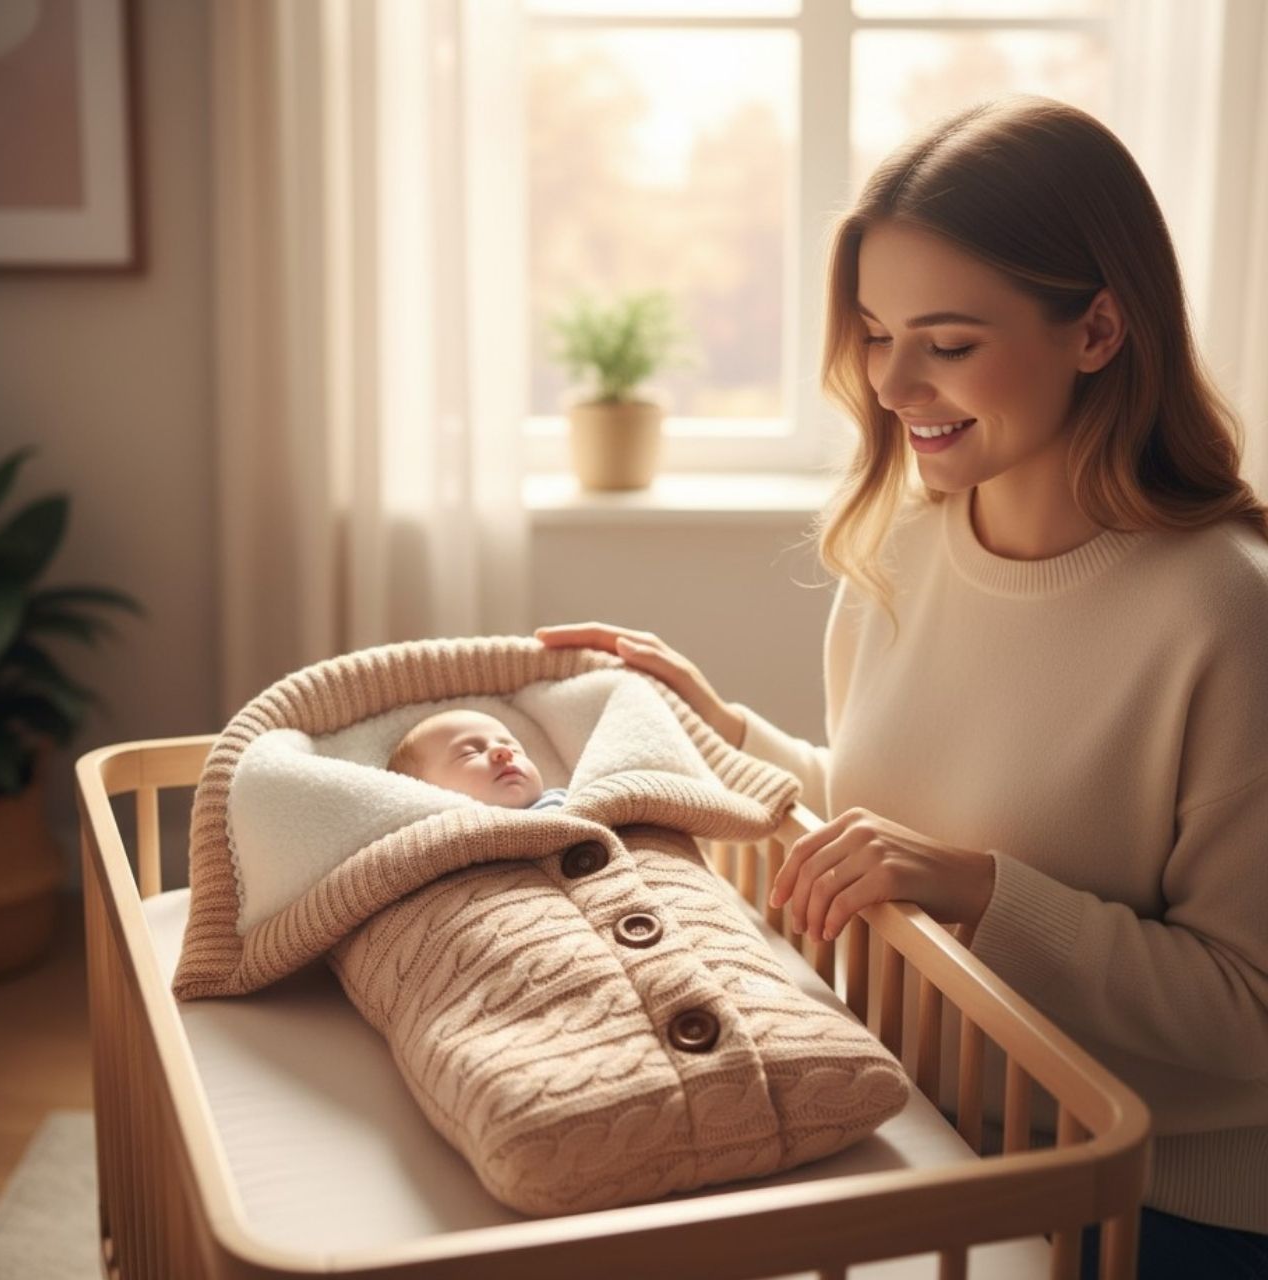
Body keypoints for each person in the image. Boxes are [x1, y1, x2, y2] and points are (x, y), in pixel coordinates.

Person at [537, 97, 1268, 1279]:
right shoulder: (907, 544)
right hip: (935, 1129)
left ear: (1096, 329)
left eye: (948, 341)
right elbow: (887, 812)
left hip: (1164, 1197)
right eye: (876, 333)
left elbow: (1249, 1008)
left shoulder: (1226, 613)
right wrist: (720, 731)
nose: (893, 382)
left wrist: (984, 891)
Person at [388, 709, 567, 810]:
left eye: (514, 748)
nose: (504, 752)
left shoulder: (568, 803)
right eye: (470, 753)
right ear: (426, 792)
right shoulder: (437, 840)